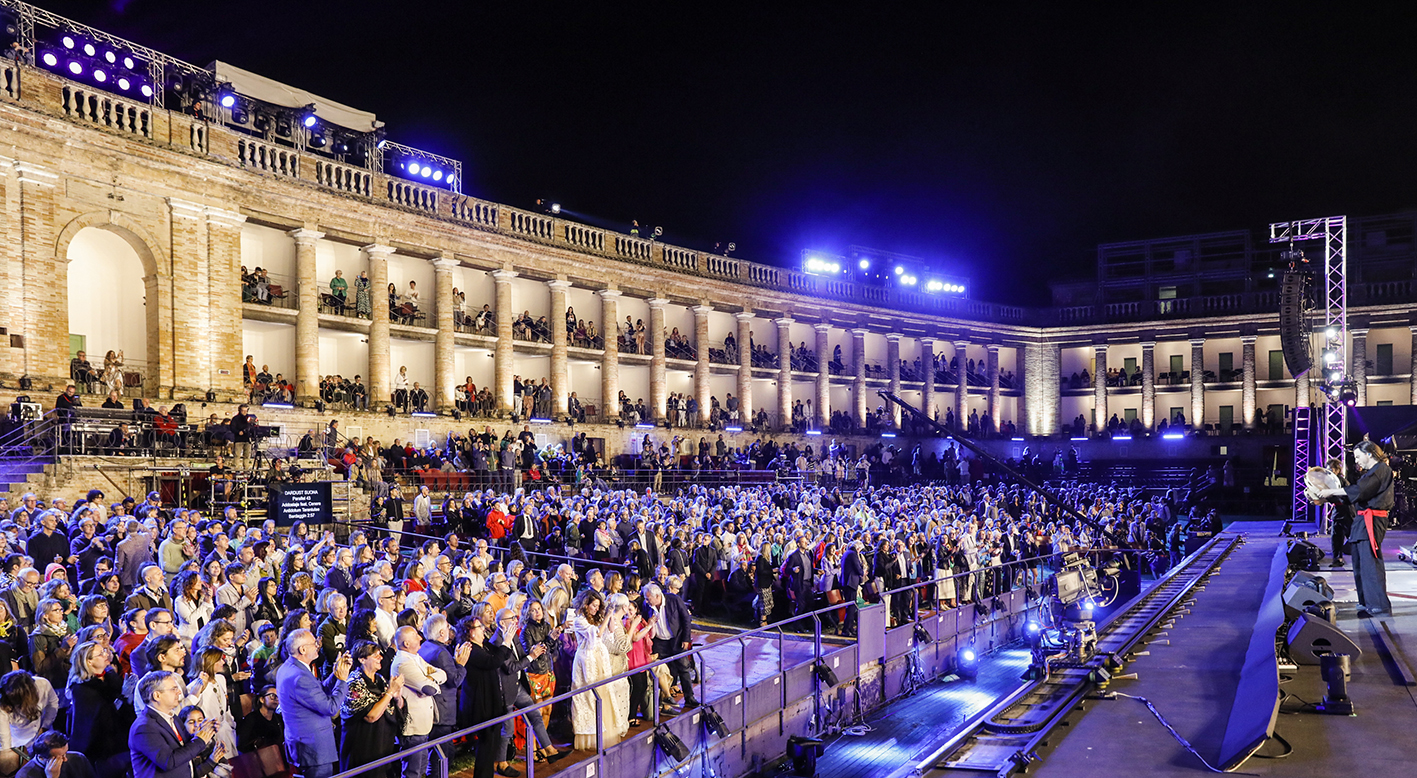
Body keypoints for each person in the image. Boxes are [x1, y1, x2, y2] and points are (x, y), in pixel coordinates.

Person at [1316, 440, 1395, 616]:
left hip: (1372, 520)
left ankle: (1380, 605)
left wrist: (1333, 492)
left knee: (1370, 562)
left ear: (1369, 454)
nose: (1356, 461)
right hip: (1362, 520)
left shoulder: (1381, 469)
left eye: (1358, 456)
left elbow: (1360, 490)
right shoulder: (1371, 472)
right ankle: (1366, 601)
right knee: (1359, 562)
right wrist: (1327, 497)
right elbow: (1355, 496)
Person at [276, 629, 353, 778]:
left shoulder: (290, 667)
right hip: (314, 750)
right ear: (302, 649)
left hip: (307, 746)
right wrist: (343, 681)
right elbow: (330, 707)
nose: (318, 645)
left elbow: (318, 691)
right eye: (314, 643)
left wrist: (336, 674)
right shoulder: (299, 676)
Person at [128, 671, 224, 778]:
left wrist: (205, 731)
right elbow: (169, 762)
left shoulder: (172, 717)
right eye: (173, 689)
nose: (179, 692)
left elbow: (187, 747)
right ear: (157, 695)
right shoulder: (144, 728)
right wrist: (200, 739)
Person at [67, 641, 134, 778]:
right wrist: (122, 698)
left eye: (105, 651)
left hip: (120, 738)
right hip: (99, 747)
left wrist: (129, 699)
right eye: (100, 654)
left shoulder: (111, 678)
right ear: (89, 661)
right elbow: (99, 718)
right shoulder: (82, 689)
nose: (106, 655)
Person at [339, 642, 404, 778]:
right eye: (376, 655)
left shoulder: (380, 680)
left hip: (382, 748)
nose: (381, 658)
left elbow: (394, 708)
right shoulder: (354, 683)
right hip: (362, 751)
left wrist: (397, 697)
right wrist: (390, 693)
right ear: (362, 659)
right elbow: (371, 716)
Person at [389, 626, 444, 778]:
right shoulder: (403, 663)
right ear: (406, 643)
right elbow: (429, 689)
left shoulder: (415, 657)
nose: (420, 637)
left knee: (421, 770)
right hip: (412, 728)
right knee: (412, 773)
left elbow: (442, 674)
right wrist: (431, 682)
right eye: (415, 636)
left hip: (422, 726)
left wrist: (431, 679)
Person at [642, 583, 697, 713]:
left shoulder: (673, 600)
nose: (646, 601)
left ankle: (689, 698)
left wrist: (686, 638)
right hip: (660, 642)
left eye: (648, 598)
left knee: (684, 668)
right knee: (664, 671)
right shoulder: (647, 606)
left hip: (676, 640)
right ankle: (664, 703)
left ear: (657, 596)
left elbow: (686, 619)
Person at [15, 730, 96, 778]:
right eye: (59, 757)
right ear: (42, 757)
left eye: (65, 752)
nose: (66, 759)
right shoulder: (24, 775)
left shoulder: (78, 758)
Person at [235, 685, 283, 754]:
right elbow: (242, 744)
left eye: (278, 696)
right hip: (256, 757)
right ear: (262, 699)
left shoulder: (279, 719)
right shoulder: (251, 718)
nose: (276, 699)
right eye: (272, 696)